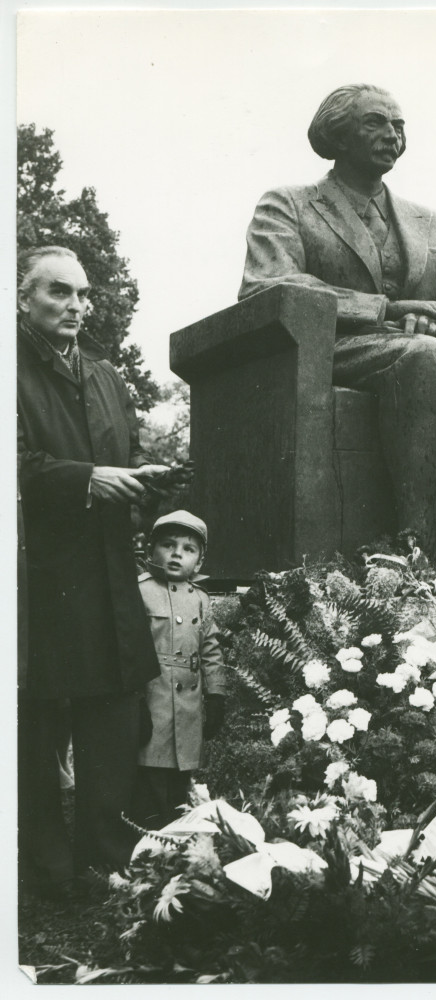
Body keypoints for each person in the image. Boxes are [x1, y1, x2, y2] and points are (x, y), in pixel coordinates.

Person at [238, 84, 436, 554]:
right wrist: (384, 309)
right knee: (422, 356)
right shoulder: (289, 204)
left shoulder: (430, 221)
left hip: (429, 343)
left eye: (399, 126)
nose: (392, 135)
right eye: (375, 123)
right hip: (336, 349)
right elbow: (268, 284)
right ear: (338, 136)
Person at [17, 246, 169, 898]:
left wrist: (147, 483)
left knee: (113, 723)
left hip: (109, 581)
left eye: (82, 294)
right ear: (23, 299)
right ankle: (43, 872)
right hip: (39, 588)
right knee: (35, 733)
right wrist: (86, 481)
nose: (75, 305)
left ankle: (103, 858)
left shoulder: (107, 377)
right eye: (58, 292)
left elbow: (128, 455)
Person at [133, 511, 227, 829]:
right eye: (168, 545)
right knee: (149, 777)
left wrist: (216, 695)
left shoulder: (200, 599)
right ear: (150, 552)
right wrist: (135, 702)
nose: (177, 553)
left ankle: (176, 836)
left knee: (180, 777)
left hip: (187, 705)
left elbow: (211, 649)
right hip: (153, 698)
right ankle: (147, 838)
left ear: (199, 563)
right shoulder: (140, 591)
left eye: (188, 549)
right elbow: (131, 648)